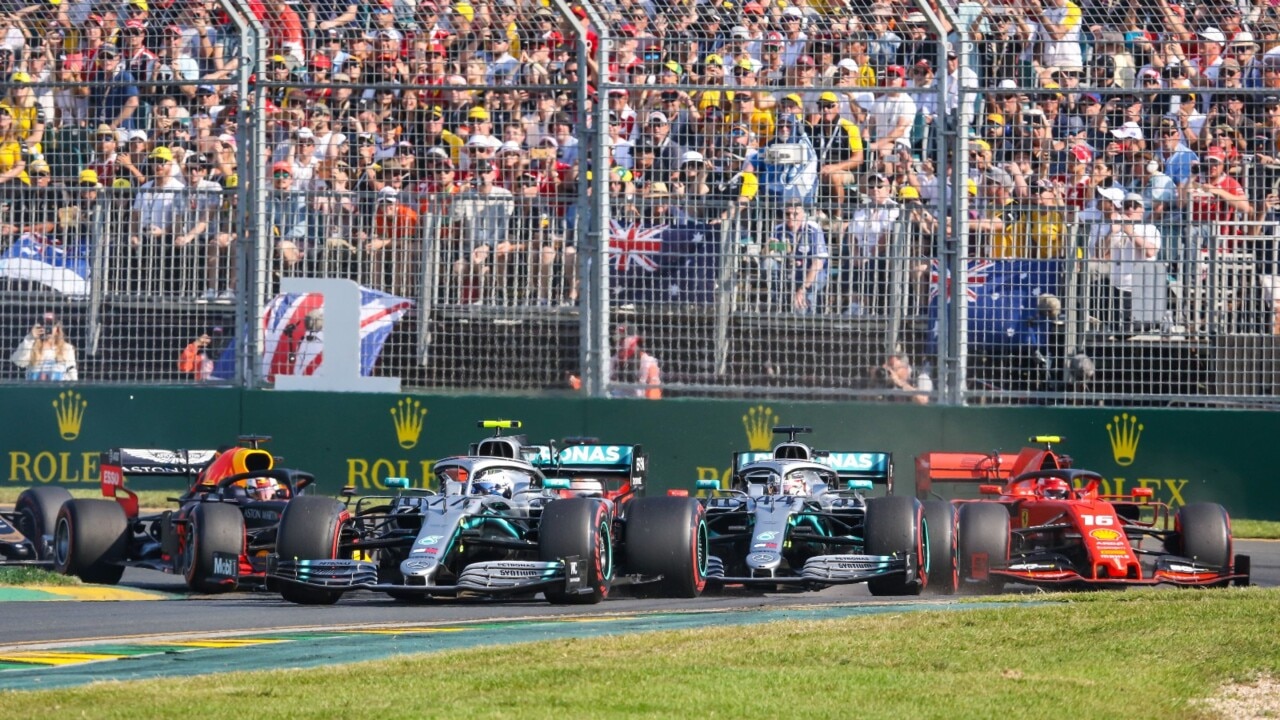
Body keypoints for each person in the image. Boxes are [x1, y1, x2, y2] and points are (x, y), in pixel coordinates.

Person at [11, 313, 77, 381]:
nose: (47, 328)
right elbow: (19, 362)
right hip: (34, 388)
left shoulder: (66, 348)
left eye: (51, 325)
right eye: (44, 325)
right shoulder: (30, 344)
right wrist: (30, 337)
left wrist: (74, 386)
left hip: (57, 389)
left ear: (57, 328)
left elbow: (71, 371)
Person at [613, 335, 661, 399]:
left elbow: (653, 391)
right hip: (618, 398)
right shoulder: (614, 359)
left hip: (640, 401)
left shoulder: (648, 361)